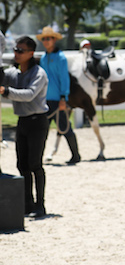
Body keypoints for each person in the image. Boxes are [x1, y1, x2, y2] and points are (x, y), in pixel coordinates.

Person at [0, 36, 49, 218]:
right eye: (15, 50)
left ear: (31, 53)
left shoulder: (39, 74)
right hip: (22, 122)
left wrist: (6, 91)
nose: (16, 53)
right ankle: (27, 203)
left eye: (21, 50)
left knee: (35, 164)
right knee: (22, 165)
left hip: (37, 122)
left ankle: (40, 205)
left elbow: (29, 95)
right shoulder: (14, 73)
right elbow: (3, 79)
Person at [37, 26, 80, 165]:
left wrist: (63, 98)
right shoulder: (43, 58)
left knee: (65, 128)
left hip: (58, 100)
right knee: (42, 130)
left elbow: (64, 79)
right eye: (44, 39)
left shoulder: (61, 58)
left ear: (54, 40)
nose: (46, 41)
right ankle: (38, 157)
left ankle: (76, 155)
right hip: (45, 100)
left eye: (48, 38)